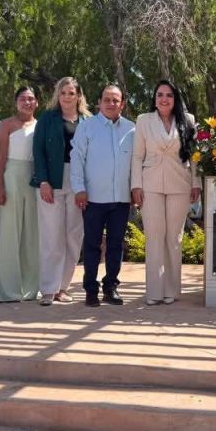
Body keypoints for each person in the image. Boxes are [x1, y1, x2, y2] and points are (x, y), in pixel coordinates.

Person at [131, 80, 201, 306]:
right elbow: (137, 156)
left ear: (175, 98)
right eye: (160, 94)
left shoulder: (188, 120)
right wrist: (136, 185)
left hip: (180, 183)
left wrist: (196, 183)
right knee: (154, 236)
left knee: (174, 237)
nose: (164, 99)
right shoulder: (143, 120)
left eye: (169, 95)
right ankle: (154, 291)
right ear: (154, 98)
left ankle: (171, 289)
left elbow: (194, 156)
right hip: (150, 184)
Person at [71, 84, 135, 307]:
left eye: (115, 100)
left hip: (121, 199)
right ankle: (90, 290)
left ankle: (111, 288)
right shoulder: (86, 127)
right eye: (107, 99)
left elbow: (136, 164)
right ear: (99, 102)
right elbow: (77, 159)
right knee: (92, 245)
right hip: (93, 198)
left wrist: (135, 188)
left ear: (122, 104)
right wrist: (79, 188)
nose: (111, 103)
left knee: (116, 245)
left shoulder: (132, 129)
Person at [32, 77, 91, 305]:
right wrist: (43, 181)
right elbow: (38, 151)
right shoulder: (47, 118)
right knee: (52, 236)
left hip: (79, 183)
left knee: (73, 236)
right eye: (63, 92)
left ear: (78, 96)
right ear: (58, 95)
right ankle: (48, 289)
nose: (67, 97)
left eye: (71, 93)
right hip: (52, 181)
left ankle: (62, 288)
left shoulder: (88, 121)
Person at [0, 86, 40, 302]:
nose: (27, 102)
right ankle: (8, 290)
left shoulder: (41, 126)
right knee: (10, 233)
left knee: (32, 233)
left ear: (37, 102)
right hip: (11, 176)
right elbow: (0, 158)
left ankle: (30, 288)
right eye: (23, 98)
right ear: (16, 102)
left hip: (34, 178)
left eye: (31, 99)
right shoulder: (7, 124)